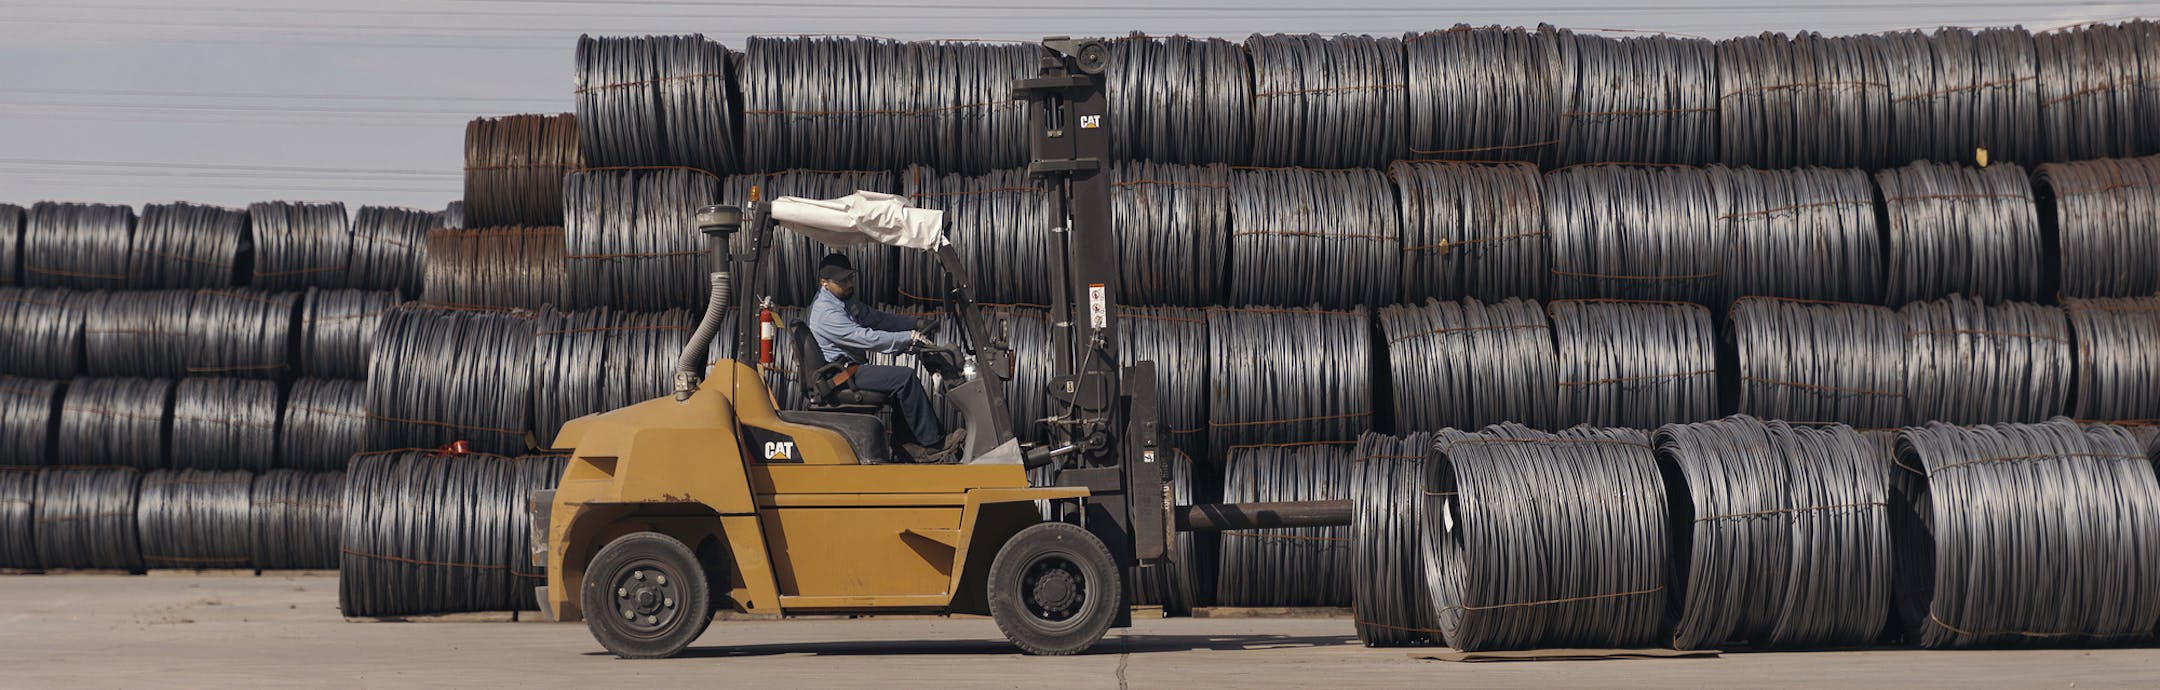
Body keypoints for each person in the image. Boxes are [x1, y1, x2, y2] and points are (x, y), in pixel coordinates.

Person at [805, 253, 964, 458]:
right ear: (824, 282)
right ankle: (934, 442)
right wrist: (908, 338)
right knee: (904, 378)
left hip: (848, 369)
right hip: (839, 375)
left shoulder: (842, 301)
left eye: (850, 278)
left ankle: (906, 446)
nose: (849, 283)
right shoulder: (826, 312)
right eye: (842, 281)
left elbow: (876, 319)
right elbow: (865, 338)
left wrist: (914, 324)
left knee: (896, 381)